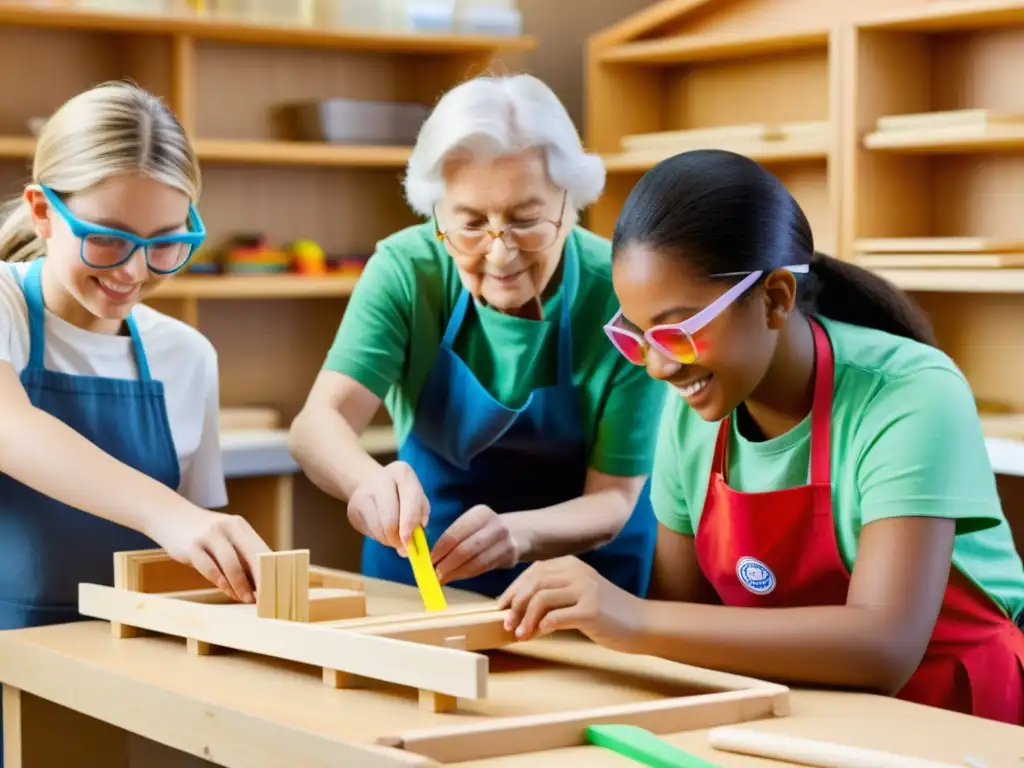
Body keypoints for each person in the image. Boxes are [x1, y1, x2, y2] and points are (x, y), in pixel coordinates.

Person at [498, 149, 1024, 724]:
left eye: (677, 331)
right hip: (804, 716)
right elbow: (684, 624)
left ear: (775, 298)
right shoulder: (692, 413)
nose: (656, 367)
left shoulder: (910, 393)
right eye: (639, 337)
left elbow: (885, 647)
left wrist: (632, 618)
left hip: (957, 719)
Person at [289, 74, 666, 598]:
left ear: (570, 202)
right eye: (469, 225)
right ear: (437, 212)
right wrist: (367, 483)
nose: (499, 253)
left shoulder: (624, 292)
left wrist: (519, 533)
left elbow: (614, 500)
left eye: (526, 221)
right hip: (424, 570)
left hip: (580, 584)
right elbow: (317, 424)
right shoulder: (407, 268)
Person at [0, 81, 271, 635]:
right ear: (42, 213)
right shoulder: (7, 309)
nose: (133, 271)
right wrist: (167, 513)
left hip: (131, 666)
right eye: (108, 238)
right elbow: (10, 425)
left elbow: (195, 540)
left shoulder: (187, 356)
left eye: (164, 242)